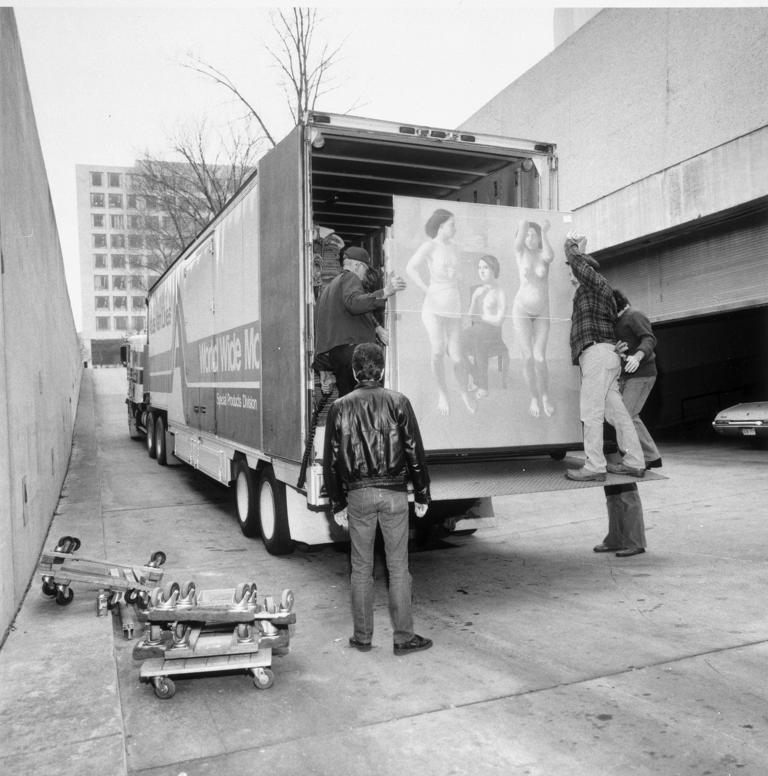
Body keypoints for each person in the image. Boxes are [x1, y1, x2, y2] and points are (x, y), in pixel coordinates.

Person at [323, 342, 433, 656]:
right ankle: (403, 638)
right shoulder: (400, 402)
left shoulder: (340, 407)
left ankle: (362, 638)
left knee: (361, 569)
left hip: (357, 496)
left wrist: (337, 503)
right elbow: (414, 451)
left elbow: (330, 462)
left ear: (355, 372)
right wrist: (422, 492)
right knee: (399, 569)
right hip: (396, 495)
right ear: (382, 370)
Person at [563, 231, 646, 482]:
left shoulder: (596, 282)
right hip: (607, 356)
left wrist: (572, 246)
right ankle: (634, 461)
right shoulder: (598, 292)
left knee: (591, 412)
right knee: (617, 414)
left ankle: (594, 466)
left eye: (574, 274)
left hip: (597, 355)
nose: (572, 277)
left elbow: (578, 263)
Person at [406, 208, 476, 416]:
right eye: (452, 225)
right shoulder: (430, 246)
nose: (455, 229)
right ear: (441, 226)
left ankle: (464, 391)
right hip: (433, 305)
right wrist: (425, 288)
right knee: (438, 350)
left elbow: (462, 276)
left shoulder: (456, 248)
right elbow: (411, 268)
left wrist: (459, 275)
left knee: (456, 357)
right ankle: (442, 392)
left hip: (452, 303)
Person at [314, 246, 406, 397]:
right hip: (355, 353)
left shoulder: (330, 288)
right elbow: (355, 303)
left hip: (338, 356)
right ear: (357, 266)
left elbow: (323, 326)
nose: (364, 276)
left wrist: (323, 369)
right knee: (369, 401)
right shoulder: (351, 277)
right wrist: (385, 292)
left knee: (349, 403)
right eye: (365, 270)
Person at [613, 289, 662, 469]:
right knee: (627, 416)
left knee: (626, 415)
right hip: (627, 375)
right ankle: (650, 456)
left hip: (642, 373)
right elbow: (624, 346)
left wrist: (638, 356)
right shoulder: (617, 321)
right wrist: (617, 351)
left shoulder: (634, 315)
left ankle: (638, 458)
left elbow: (649, 339)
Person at [512, 218, 555, 417]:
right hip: (521, 309)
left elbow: (550, 255)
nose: (529, 238)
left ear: (538, 237)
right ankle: (533, 396)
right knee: (528, 357)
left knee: (539, 357)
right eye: (526, 235)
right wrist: (524, 224)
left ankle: (545, 394)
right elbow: (518, 243)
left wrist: (544, 232)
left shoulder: (542, 254)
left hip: (541, 311)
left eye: (533, 234)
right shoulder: (520, 253)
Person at [464, 254, 507, 398]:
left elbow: (500, 321)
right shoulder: (478, 290)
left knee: (479, 339)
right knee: (452, 345)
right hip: (477, 330)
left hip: (492, 333)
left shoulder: (500, 292)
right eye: (479, 268)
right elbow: (470, 315)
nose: (481, 271)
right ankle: (477, 377)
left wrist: (483, 318)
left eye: (485, 268)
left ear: (494, 270)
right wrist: (475, 297)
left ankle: (483, 386)